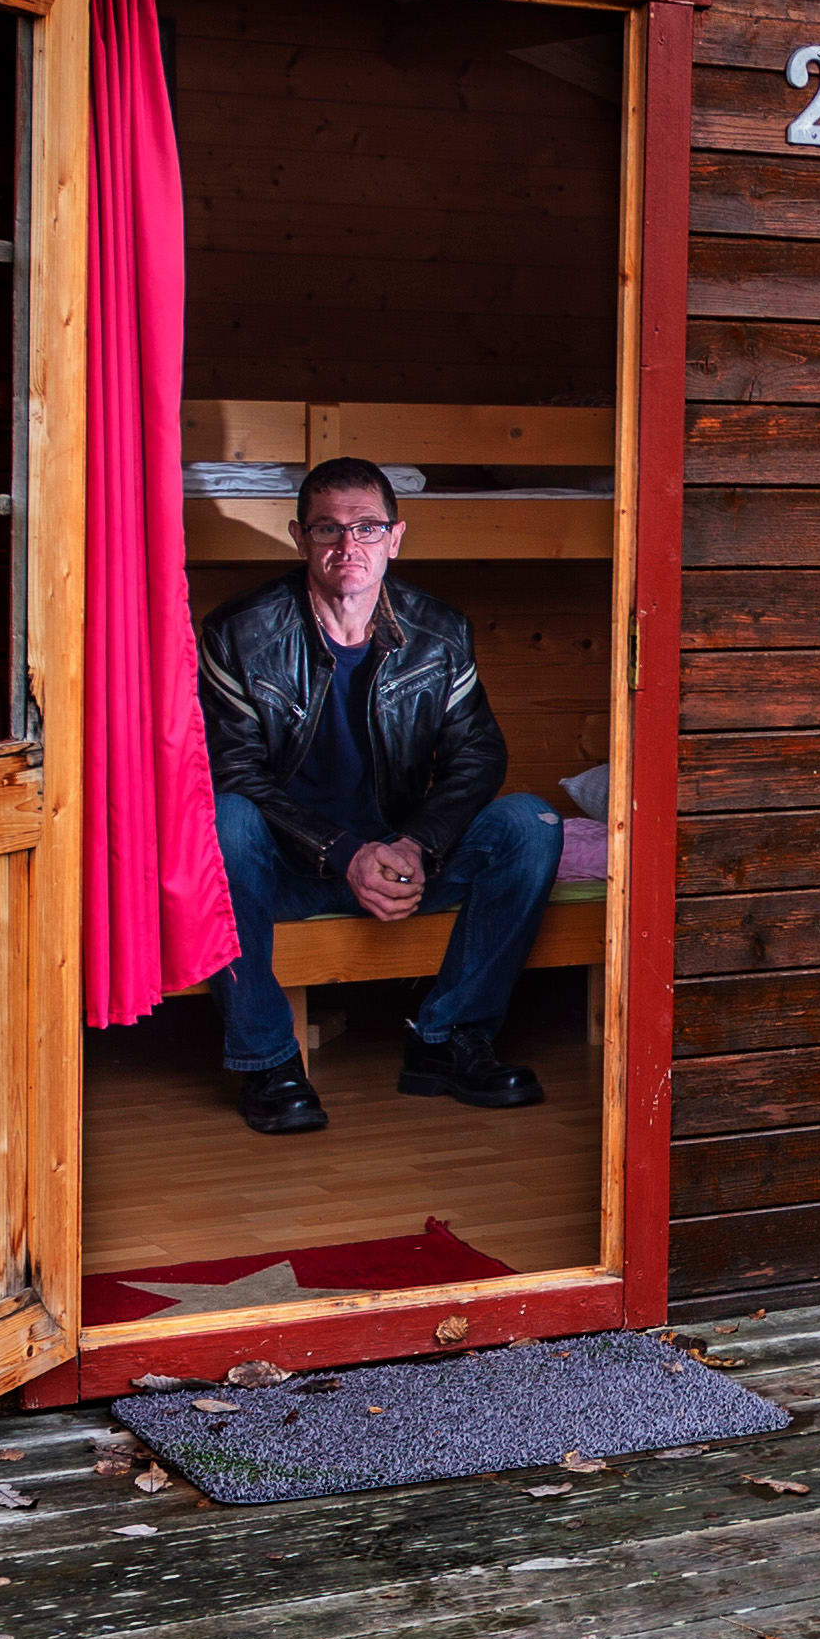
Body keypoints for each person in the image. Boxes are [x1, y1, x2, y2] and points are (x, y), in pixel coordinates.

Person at [194, 455, 562, 1133]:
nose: (348, 546)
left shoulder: (439, 633)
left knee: (530, 822)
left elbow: (477, 757)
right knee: (225, 819)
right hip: (287, 869)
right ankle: (268, 1063)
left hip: (402, 862)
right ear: (299, 539)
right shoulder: (239, 633)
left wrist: (416, 845)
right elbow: (232, 771)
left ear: (395, 538)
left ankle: (448, 1040)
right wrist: (345, 853)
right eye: (327, 529)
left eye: (366, 528)